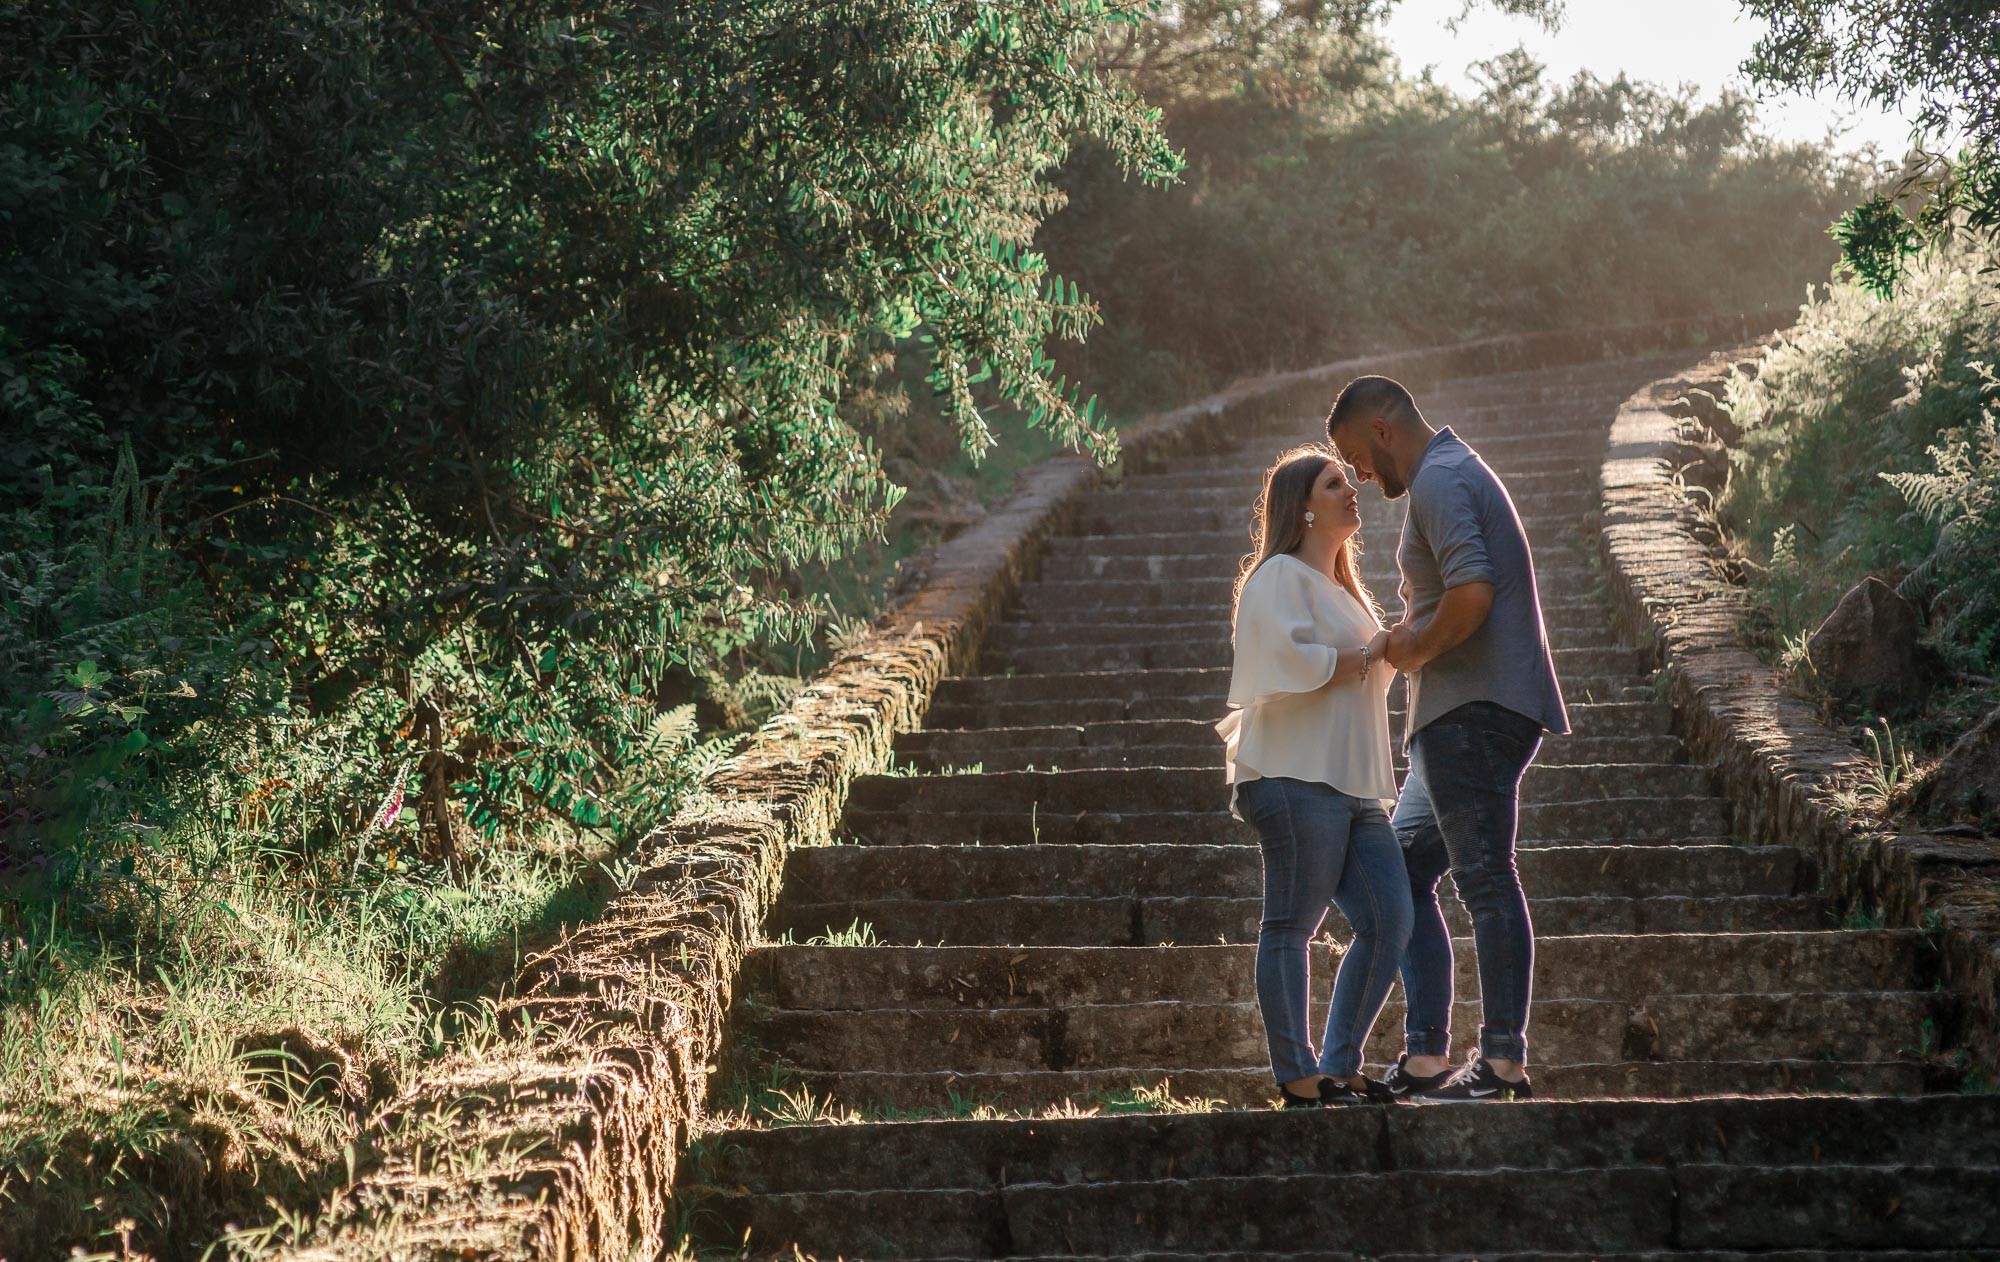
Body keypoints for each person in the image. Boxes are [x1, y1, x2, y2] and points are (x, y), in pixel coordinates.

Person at [1326, 375, 1568, 1103]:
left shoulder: (1440, 479)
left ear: (1382, 429)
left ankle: (1501, 1063)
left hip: (1475, 714)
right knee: (1397, 873)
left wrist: (1407, 647)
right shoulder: (1447, 472)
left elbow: (1471, 595)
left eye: (1356, 458)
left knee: (1486, 877)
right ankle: (1428, 1055)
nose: (1361, 478)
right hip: (1451, 720)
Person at [1216, 443, 1412, 1108]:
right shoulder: (1276, 577)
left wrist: (1397, 641)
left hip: (1353, 784)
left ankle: (1338, 1063)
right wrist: (1369, 654)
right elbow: (1290, 662)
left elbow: (1372, 671)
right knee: (1292, 926)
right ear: (1303, 507)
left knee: (1391, 921)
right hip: (1294, 776)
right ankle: (1297, 1074)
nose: (1351, 488)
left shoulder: (1346, 593)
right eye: (1334, 483)